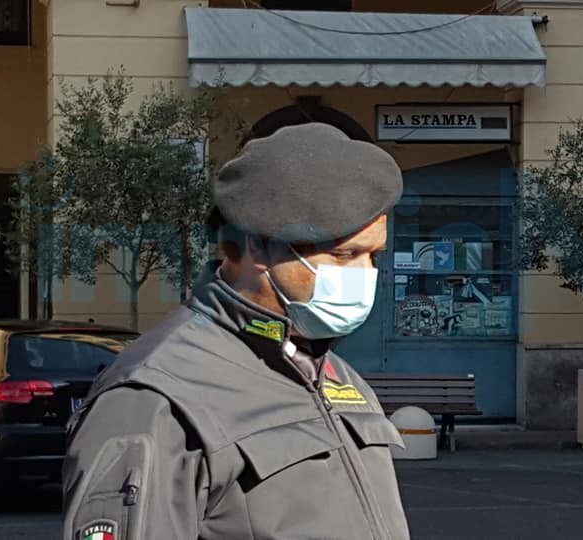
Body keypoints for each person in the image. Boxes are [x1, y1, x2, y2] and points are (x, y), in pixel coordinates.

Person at [61, 122, 411, 539]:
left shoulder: (331, 371)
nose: (366, 274)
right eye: (344, 254)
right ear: (256, 247)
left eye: (374, 256)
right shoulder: (154, 398)